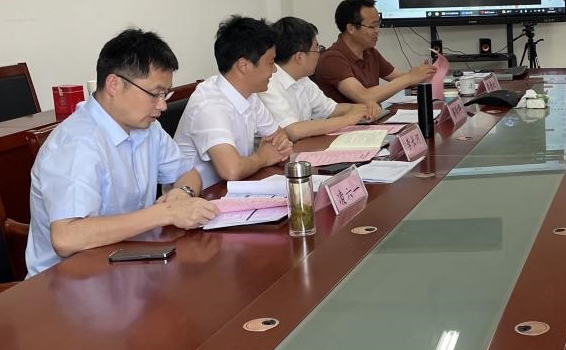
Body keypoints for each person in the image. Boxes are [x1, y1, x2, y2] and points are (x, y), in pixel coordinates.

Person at [25, 29, 217, 277]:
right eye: (155, 94)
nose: (162, 105)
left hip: (131, 263)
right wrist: (165, 213)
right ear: (114, 85)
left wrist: (184, 192)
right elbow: (67, 237)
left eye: (165, 94)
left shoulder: (148, 128)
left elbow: (187, 174)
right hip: (68, 281)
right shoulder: (77, 143)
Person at [174, 16, 293, 189]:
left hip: (235, 189)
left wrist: (279, 148)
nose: (274, 70)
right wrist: (263, 157)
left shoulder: (249, 94)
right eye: (271, 62)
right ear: (244, 65)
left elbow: (279, 138)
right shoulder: (209, 104)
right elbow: (231, 170)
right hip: (200, 196)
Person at [259, 16, 381, 141]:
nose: (319, 53)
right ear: (299, 57)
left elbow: (331, 110)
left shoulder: (302, 79)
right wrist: (347, 119)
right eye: (317, 48)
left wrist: (361, 108)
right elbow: (293, 131)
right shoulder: (268, 83)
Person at [313, 0, 435, 105]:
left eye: (378, 24)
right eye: (372, 26)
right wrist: (409, 78)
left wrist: (422, 74)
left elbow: (398, 78)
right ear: (351, 28)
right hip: (347, 123)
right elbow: (365, 96)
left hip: (372, 120)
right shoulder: (332, 59)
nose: (377, 30)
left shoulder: (370, 52)